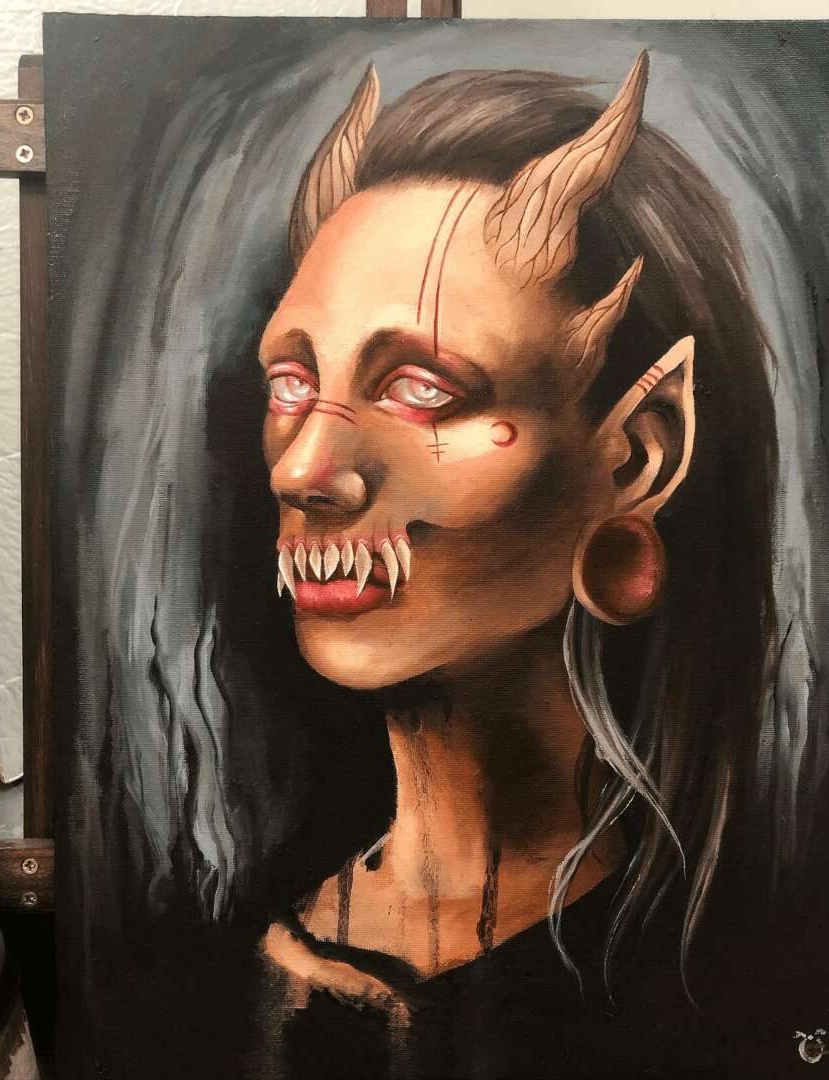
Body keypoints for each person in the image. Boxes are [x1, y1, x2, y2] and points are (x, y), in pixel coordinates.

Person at [245, 50, 778, 1078]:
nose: (302, 468)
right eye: (290, 382)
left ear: (636, 455)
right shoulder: (251, 952)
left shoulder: (706, 961)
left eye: (420, 388)